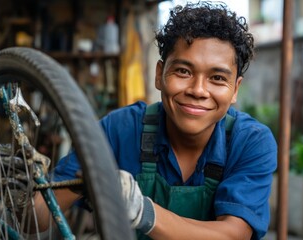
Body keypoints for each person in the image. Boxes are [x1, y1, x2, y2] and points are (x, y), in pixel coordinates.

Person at [52, 2, 277, 240]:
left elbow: (233, 235)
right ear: (160, 74)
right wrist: (24, 188)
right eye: (183, 72)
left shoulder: (250, 141)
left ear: (235, 89)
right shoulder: (120, 129)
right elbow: (40, 213)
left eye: (217, 78)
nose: (198, 90)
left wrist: (143, 211)